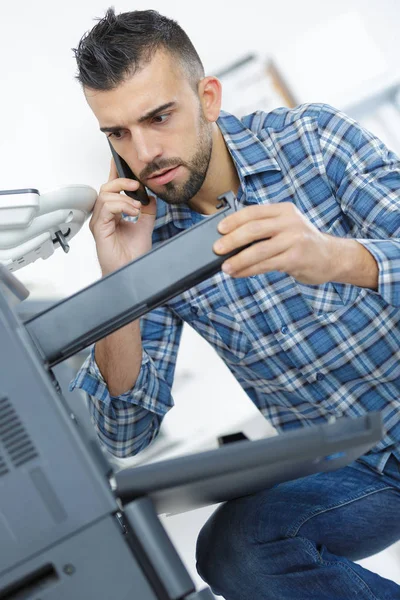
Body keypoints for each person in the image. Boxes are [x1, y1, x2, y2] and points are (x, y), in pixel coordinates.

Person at [71, 8, 400, 599]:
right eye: (118, 133)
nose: (143, 152)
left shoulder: (314, 141)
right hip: (360, 471)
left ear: (209, 97)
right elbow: (124, 434)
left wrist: (336, 258)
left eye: (159, 117)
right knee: (235, 551)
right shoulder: (149, 237)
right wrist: (118, 280)